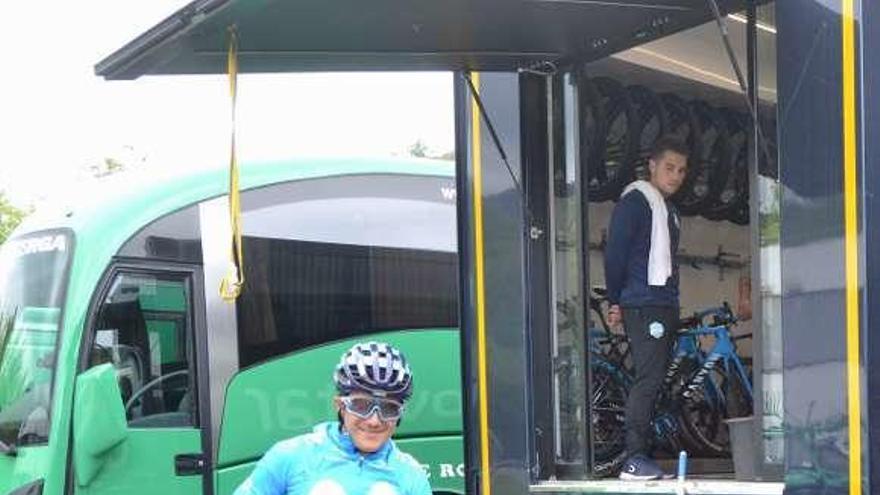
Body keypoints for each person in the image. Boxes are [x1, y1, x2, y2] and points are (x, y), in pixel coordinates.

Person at [234, 341, 432, 495]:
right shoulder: (289, 456)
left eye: (389, 408)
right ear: (340, 405)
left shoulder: (411, 474)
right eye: (361, 405)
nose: (374, 420)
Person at [603, 136, 688, 480]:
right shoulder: (636, 202)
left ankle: (644, 457)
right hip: (644, 302)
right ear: (651, 165)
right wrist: (615, 299)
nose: (676, 175)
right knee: (648, 381)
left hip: (663, 302)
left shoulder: (670, 210)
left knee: (654, 382)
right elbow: (615, 254)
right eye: (669, 167)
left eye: (682, 170)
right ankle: (634, 459)